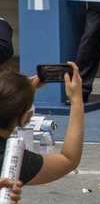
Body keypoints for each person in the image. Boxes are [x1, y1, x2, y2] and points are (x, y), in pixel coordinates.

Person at [0, 63, 85, 191]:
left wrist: (18, 92)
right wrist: (77, 101)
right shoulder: (11, 160)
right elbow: (68, 159)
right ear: (25, 118)